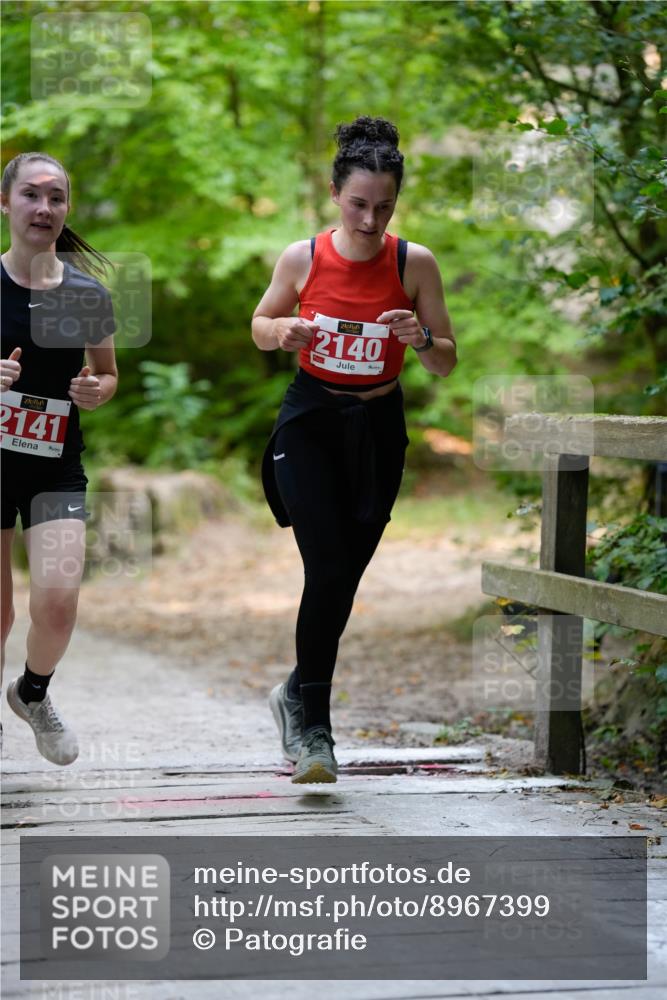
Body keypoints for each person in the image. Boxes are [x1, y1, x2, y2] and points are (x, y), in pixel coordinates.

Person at [252, 116, 456, 784]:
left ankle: (293, 691)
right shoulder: (301, 256)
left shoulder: (413, 263)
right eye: (359, 204)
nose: (370, 220)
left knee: (343, 577)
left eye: (384, 207)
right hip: (309, 421)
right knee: (327, 565)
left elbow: (447, 363)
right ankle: (315, 734)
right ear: (335, 192)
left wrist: (420, 337)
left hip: (377, 428)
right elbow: (260, 324)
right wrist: (283, 332)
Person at [1, 152, 118, 765]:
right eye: (30, 195)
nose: (43, 208)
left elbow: (106, 377)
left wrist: (96, 391)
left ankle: (32, 692)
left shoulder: (86, 294)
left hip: (53, 465)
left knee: (57, 604)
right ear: (6, 203)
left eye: (56, 197)